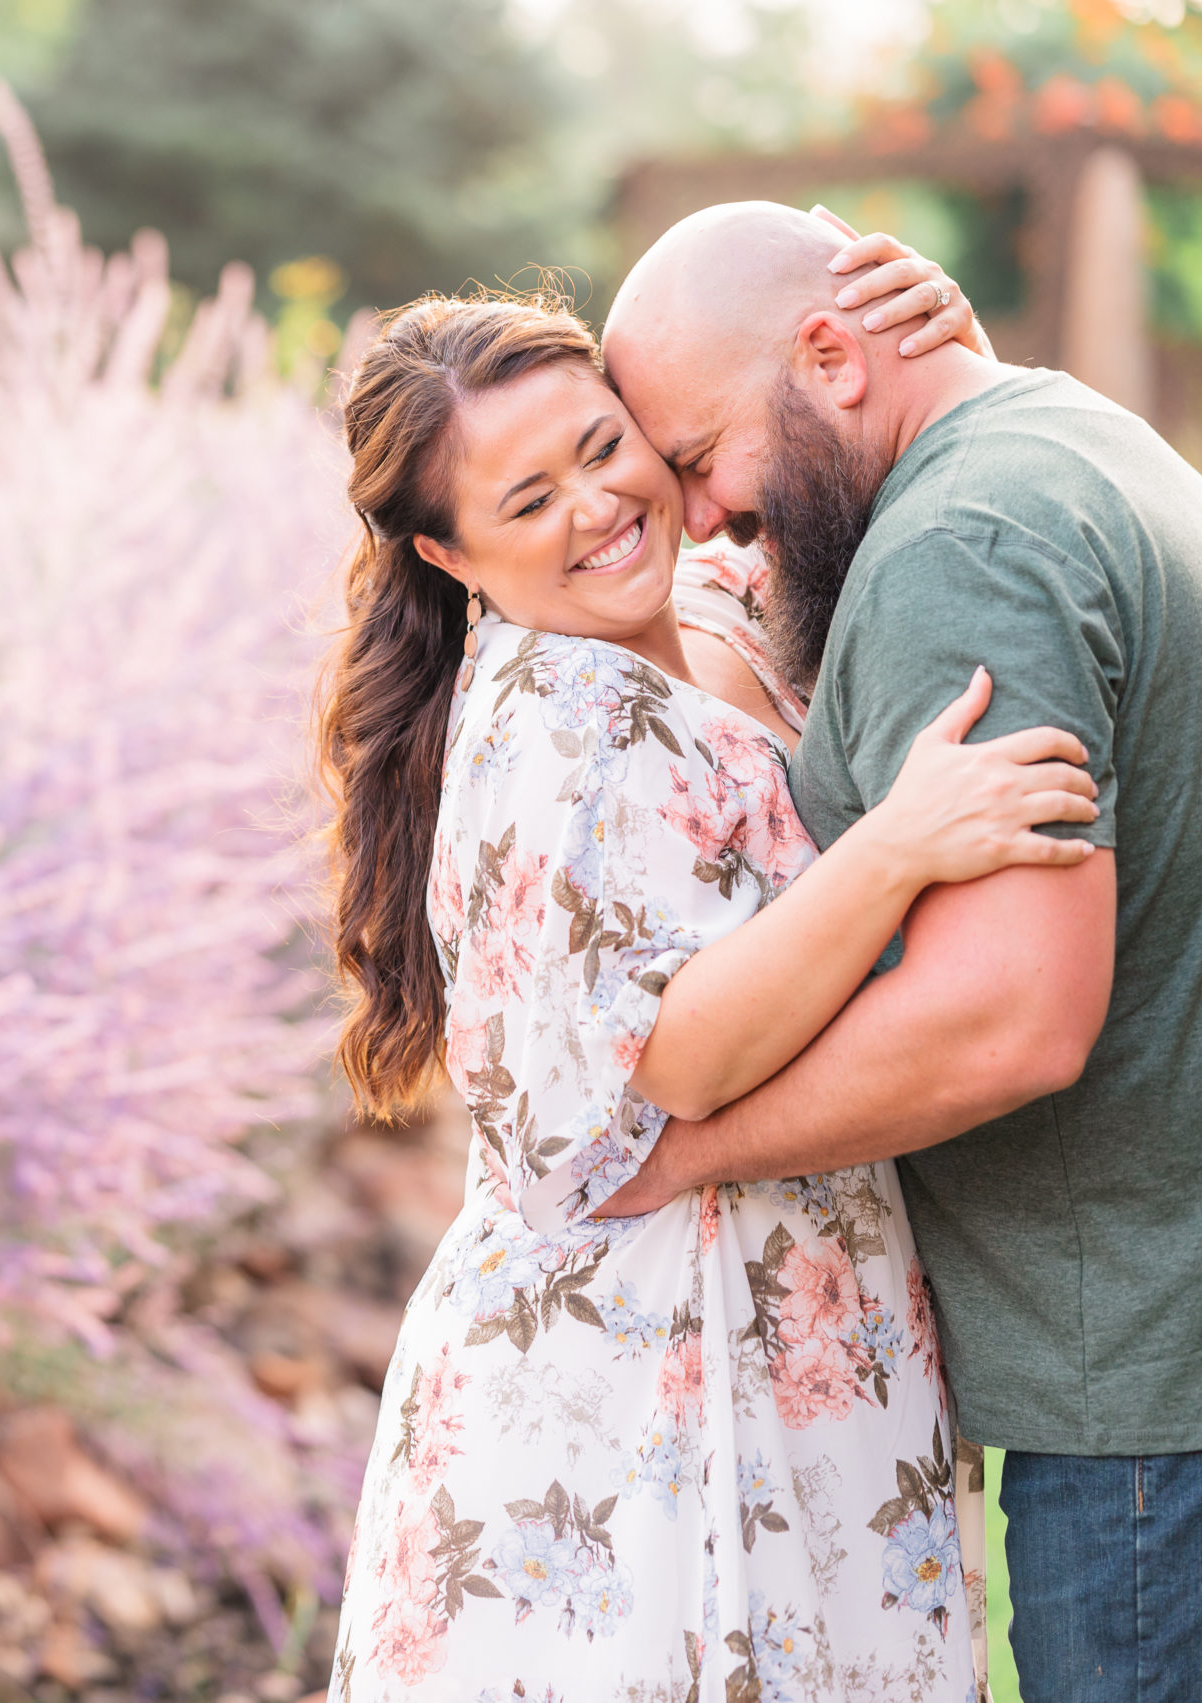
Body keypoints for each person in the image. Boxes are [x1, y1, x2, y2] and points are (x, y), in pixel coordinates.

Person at [313, 246, 1100, 1699]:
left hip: (795, 1297)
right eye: (526, 503)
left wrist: (945, 343)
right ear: (450, 557)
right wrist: (900, 849)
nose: (599, 510)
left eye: (603, 447)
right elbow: (676, 1059)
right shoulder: (555, 725)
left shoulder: (722, 605)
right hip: (639, 1368)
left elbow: (828, 448)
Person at [598, 201, 1202, 1701]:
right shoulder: (1063, 436)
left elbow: (1009, 1018)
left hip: (1128, 1389)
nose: (703, 516)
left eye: (693, 458)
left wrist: (693, 1147)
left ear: (830, 353)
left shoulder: (959, 550)